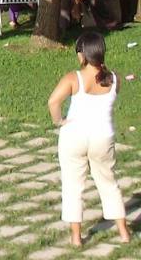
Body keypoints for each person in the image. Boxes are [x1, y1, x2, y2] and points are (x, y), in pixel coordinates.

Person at [48, 31, 130, 247]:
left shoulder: (73, 78)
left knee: (73, 186)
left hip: (74, 137)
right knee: (109, 183)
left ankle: (76, 238)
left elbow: (53, 102)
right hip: (103, 137)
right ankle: (123, 233)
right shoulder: (114, 79)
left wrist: (60, 121)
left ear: (82, 55)